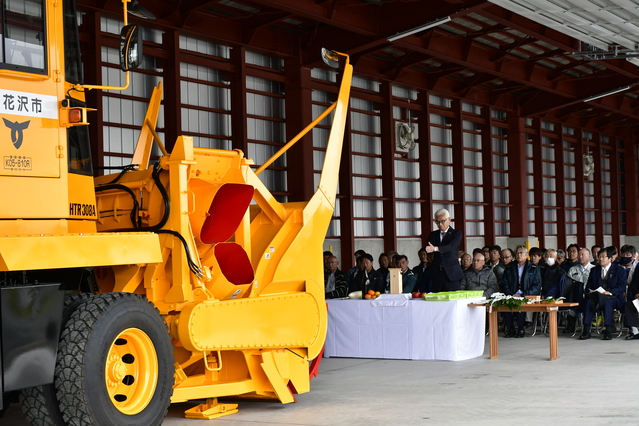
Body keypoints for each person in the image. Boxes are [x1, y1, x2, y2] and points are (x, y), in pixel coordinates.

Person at [579, 247, 627, 341]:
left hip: (613, 297)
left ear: (610, 258)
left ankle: (608, 330)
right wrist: (591, 291)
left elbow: (621, 287)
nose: (600, 259)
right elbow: (588, 285)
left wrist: (610, 292)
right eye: (599, 256)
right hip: (597, 296)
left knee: (607, 302)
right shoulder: (594, 270)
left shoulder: (619, 270)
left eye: (603, 257)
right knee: (588, 302)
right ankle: (586, 330)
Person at [500, 245, 542, 338]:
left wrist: (523, 294)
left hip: (526, 294)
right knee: (504, 304)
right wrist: (510, 294)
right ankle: (510, 328)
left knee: (520, 303)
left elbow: (537, 286)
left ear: (527, 255)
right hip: (512, 293)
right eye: (517, 253)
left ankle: (521, 328)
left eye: (521, 253)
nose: (519, 255)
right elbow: (504, 282)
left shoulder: (534, 268)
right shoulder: (510, 267)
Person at [425, 208, 464, 292]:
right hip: (437, 272)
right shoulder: (433, 235)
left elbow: (451, 246)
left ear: (449, 220)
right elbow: (429, 249)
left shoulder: (456, 234)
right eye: (437, 222)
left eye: (443, 221)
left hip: (451, 272)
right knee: (437, 300)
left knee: (452, 300)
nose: (440, 224)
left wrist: (436, 248)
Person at [564, 248, 594, 333]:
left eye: (583, 254)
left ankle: (586, 327)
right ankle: (571, 325)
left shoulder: (594, 269)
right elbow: (569, 285)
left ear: (589, 256)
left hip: (590, 295)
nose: (580, 257)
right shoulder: (572, 269)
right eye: (579, 255)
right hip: (575, 295)